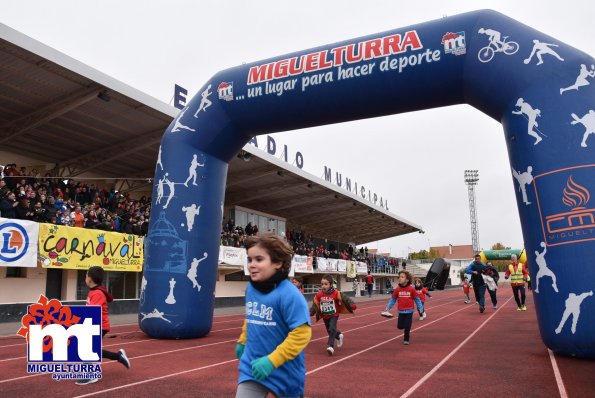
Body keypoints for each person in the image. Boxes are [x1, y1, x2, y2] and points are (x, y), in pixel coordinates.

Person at [235, 233, 311, 398]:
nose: (252, 265)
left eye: (259, 259)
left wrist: (272, 361)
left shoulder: (290, 295)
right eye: (249, 259)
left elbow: (302, 333)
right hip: (252, 366)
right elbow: (251, 317)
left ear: (278, 262)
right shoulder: (251, 289)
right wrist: (243, 340)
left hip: (285, 372)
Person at [76, 266, 131, 385]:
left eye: (86, 275)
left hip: (99, 325)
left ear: (89, 279)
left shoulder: (97, 293)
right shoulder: (94, 292)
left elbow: (93, 312)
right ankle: (119, 356)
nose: (85, 278)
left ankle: (91, 375)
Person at [311, 274, 356, 356]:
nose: (323, 286)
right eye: (322, 284)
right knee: (329, 330)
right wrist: (312, 311)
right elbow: (315, 304)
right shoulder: (319, 294)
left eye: (326, 284)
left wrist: (351, 305)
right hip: (325, 315)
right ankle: (339, 336)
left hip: (334, 315)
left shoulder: (336, 293)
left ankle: (330, 346)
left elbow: (345, 298)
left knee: (332, 328)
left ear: (331, 285)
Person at [381, 270, 423, 345]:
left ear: (407, 280)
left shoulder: (411, 289)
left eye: (402, 277)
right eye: (399, 277)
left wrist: (420, 308)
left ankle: (406, 338)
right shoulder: (397, 289)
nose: (400, 278)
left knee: (407, 327)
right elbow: (393, 299)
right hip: (401, 311)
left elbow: (417, 299)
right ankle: (405, 327)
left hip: (409, 311)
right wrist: (388, 308)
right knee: (400, 326)